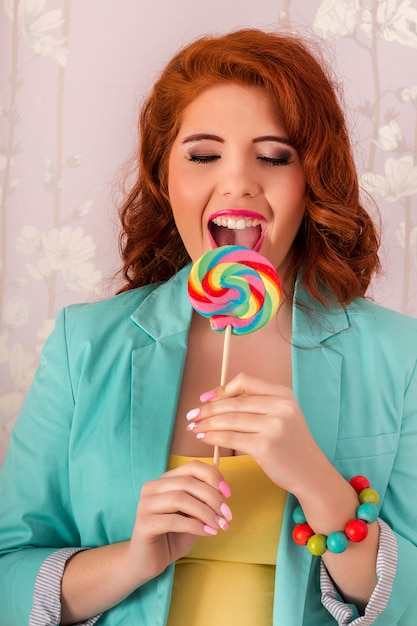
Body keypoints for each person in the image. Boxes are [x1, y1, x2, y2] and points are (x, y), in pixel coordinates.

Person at [0, 28, 416, 626]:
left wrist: (320, 487)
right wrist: (134, 559)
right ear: (165, 175)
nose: (239, 181)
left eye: (274, 156)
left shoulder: (398, 354)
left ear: (312, 182)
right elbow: (10, 577)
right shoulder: (84, 344)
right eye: (203, 154)